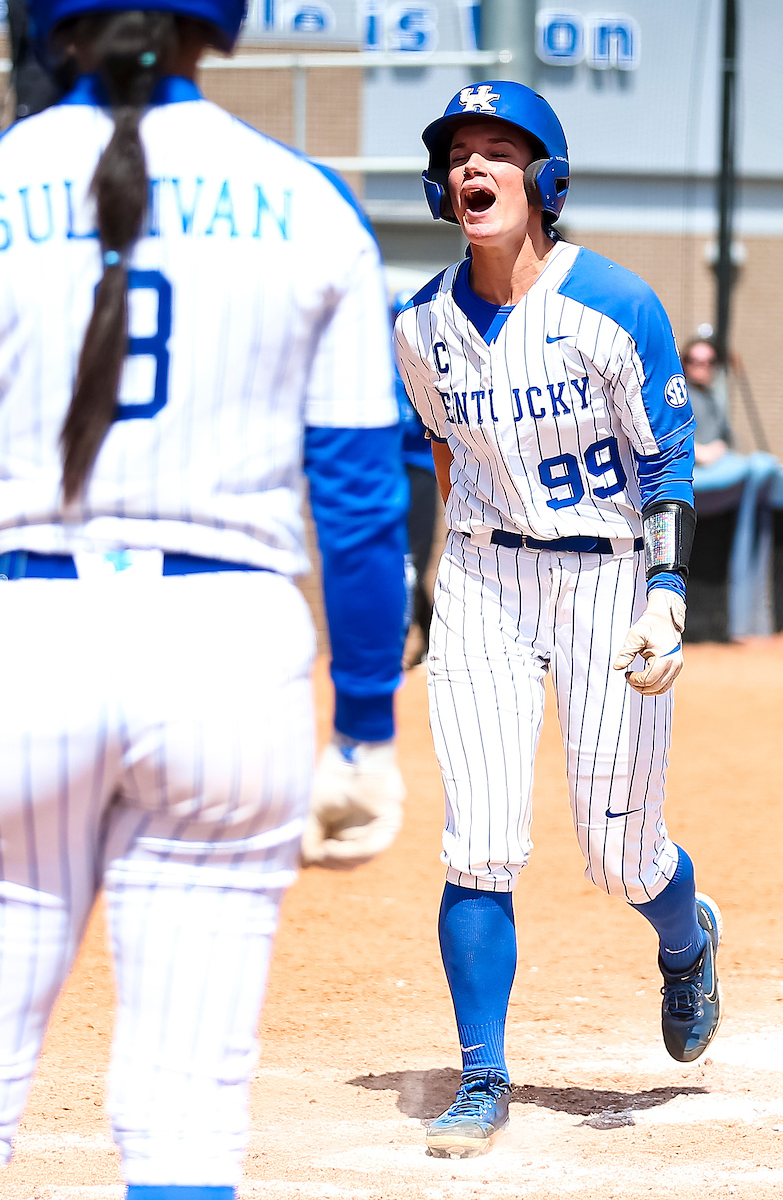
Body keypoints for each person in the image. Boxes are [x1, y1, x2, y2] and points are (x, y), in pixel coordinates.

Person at [0, 1, 409, 1195]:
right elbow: (361, 505)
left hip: (13, 638)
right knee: (186, 1122)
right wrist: (365, 726)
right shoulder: (311, 205)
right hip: (231, 648)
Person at [394, 82, 722, 1160]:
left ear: (547, 182)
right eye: (458, 155)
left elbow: (669, 462)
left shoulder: (616, 304)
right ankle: (483, 1076)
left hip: (610, 580)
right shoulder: (420, 327)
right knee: (479, 841)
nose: (473, 168)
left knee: (618, 855)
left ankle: (686, 938)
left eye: (499, 151)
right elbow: (445, 456)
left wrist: (668, 598)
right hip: (487, 581)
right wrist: (441, 577)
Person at [393, 292, 440, 668]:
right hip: (391, 472)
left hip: (422, 470)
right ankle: (426, 636)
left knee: (413, 561)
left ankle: (406, 643)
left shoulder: (429, 363)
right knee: (400, 560)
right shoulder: (382, 368)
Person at [682, 338, 732, 467]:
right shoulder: (679, 395)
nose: (702, 366)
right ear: (684, 362)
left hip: (716, 463)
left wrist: (721, 446)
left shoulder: (714, 397)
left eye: (708, 361)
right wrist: (699, 451)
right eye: (694, 361)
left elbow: (725, 436)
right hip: (690, 467)